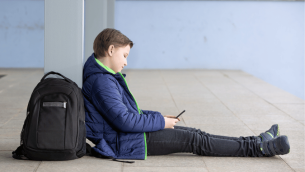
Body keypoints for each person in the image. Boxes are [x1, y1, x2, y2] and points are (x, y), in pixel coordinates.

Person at [81, 28, 290, 162]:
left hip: (129, 136)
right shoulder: (102, 81)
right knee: (196, 140)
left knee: (197, 135)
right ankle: (259, 147)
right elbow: (125, 121)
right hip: (129, 141)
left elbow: (124, 114)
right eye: (124, 55)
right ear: (110, 50)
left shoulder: (103, 77)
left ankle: (256, 142)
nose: (126, 62)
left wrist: (160, 118)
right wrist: (160, 121)